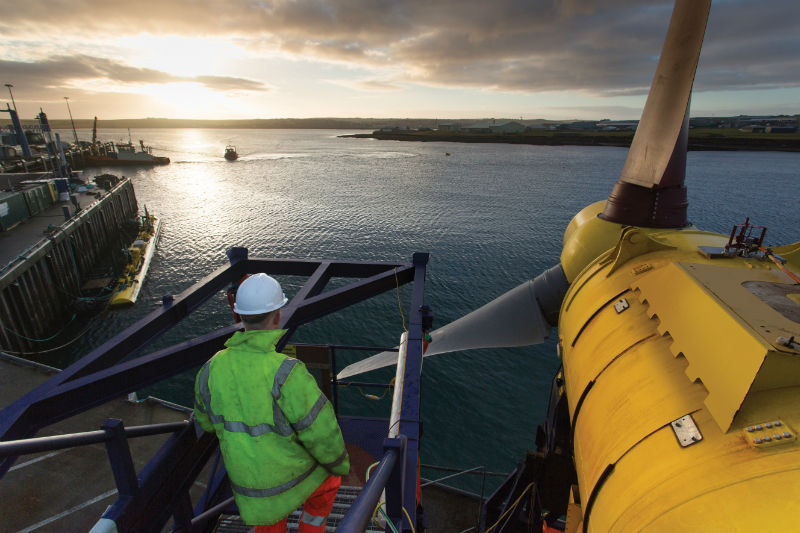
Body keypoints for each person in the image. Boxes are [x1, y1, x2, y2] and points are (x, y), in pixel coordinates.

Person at [194, 273, 350, 532]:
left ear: (239, 316)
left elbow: (205, 423)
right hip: (291, 478)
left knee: (267, 519)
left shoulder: (211, 369)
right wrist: (339, 464)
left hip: (250, 489)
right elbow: (321, 433)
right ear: (277, 316)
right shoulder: (287, 372)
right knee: (329, 483)